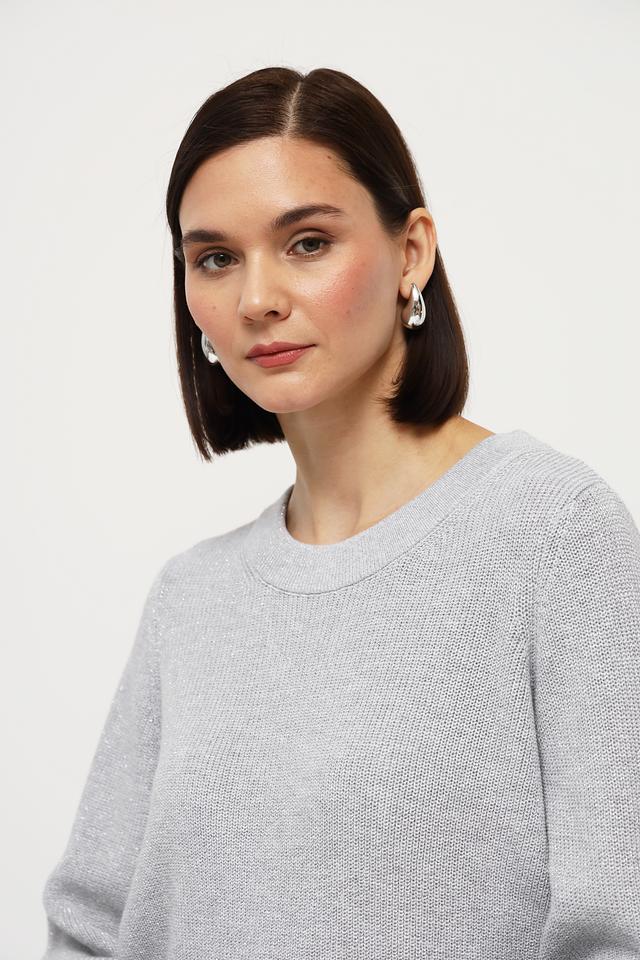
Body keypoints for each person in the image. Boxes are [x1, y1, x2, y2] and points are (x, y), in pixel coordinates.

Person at [40, 66, 640, 959]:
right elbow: (89, 927)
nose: (256, 299)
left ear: (412, 252)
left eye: (308, 242)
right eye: (215, 259)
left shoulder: (555, 535)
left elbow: (617, 927)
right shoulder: (191, 600)